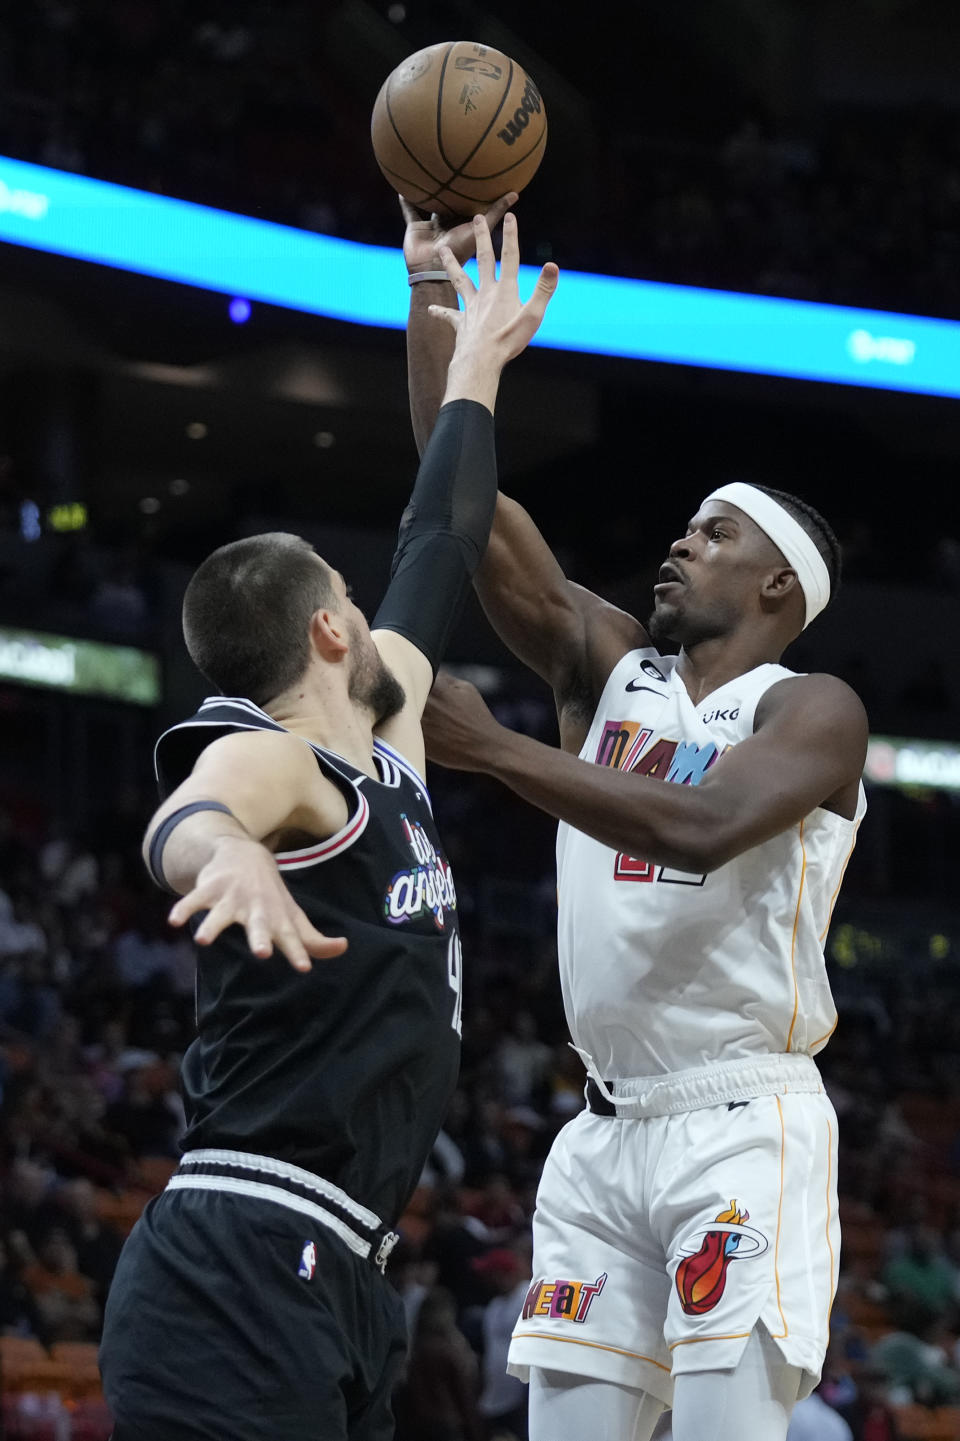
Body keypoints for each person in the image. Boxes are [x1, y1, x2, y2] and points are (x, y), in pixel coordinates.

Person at [402, 205, 867, 1441]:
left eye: (713, 533)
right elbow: (469, 512)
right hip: (603, 1131)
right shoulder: (611, 669)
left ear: (778, 585)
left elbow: (707, 828)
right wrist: (438, 314)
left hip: (741, 1119)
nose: (680, 541)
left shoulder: (812, 709)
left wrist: (494, 748)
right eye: (684, 525)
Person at [98, 209, 558, 1441]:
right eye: (350, 597)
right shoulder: (284, 760)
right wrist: (230, 854)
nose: (372, 604)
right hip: (237, 1262)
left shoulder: (385, 742)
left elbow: (441, 533)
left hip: (342, 1269)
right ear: (325, 633)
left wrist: (459, 339)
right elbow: (192, 815)